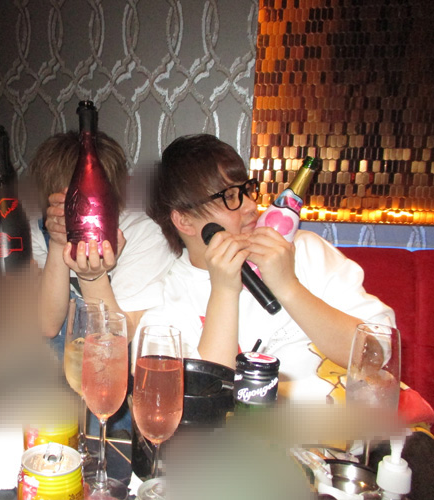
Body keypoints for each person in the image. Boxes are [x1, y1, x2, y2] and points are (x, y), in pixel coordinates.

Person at [141, 134, 395, 403]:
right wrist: (224, 292)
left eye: (247, 190)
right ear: (184, 220)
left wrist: (288, 287)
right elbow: (203, 405)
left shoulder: (303, 249)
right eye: (229, 197)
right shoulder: (166, 296)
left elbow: (374, 356)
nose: (252, 206)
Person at [28, 131, 175, 353]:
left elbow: (119, 339)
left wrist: (92, 276)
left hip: (111, 362)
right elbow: (47, 326)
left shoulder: (141, 232)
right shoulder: (39, 231)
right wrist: (58, 243)